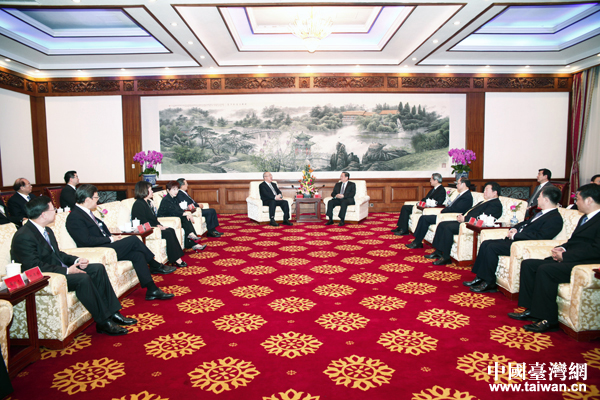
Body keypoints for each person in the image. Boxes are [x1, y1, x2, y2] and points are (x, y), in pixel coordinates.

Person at [11, 196, 137, 336]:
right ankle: (103, 322)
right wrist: (66, 270)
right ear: (43, 214)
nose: (55, 211)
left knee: (97, 268)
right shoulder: (24, 236)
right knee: (82, 279)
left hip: (59, 269)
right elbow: (33, 267)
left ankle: (113, 313)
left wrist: (76, 260)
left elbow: (57, 254)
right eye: (53, 209)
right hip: (48, 276)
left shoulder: (47, 230)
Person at [508, 183, 600, 333]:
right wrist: (562, 248)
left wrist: (566, 256)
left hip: (585, 263)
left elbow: (596, 250)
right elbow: (574, 241)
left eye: (578, 199)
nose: (576, 202)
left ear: (589, 200)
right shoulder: (585, 217)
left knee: (546, 270)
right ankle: (531, 309)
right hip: (573, 257)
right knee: (529, 264)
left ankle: (548, 319)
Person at [66, 184, 175, 301]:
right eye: (96, 197)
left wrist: (111, 236)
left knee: (137, 255)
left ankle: (152, 289)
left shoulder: (86, 212)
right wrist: (110, 239)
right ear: (88, 199)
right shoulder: (75, 217)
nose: (98, 200)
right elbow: (86, 241)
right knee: (134, 240)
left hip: (106, 245)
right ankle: (155, 264)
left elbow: (100, 231)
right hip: (99, 250)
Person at [464, 185, 564, 293]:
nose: (537, 199)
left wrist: (516, 236)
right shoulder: (540, 213)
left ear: (546, 199)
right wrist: (514, 229)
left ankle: (489, 282)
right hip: (516, 239)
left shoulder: (555, 218)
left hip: (523, 244)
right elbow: (525, 223)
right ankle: (480, 277)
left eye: (539, 196)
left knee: (491, 247)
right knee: (485, 243)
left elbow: (540, 237)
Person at [426, 181, 504, 265]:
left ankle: (446, 257)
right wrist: (462, 216)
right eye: (484, 190)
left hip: (471, 225)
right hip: (465, 221)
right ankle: (438, 252)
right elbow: (471, 211)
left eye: (487, 190)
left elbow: (482, 218)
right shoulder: (484, 201)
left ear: (495, 192)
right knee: (442, 224)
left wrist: (465, 219)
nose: (484, 192)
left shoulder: (495, 204)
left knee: (448, 228)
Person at [132, 181, 187, 268]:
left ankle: (176, 258)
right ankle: (177, 259)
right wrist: (156, 227)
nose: (152, 191)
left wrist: (160, 225)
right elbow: (142, 222)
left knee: (170, 230)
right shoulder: (138, 204)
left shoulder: (148, 202)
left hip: (154, 227)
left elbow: (154, 219)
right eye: (150, 190)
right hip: (148, 230)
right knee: (168, 233)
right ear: (144, 191)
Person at [407, 177, 473, 249]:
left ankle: (417, 242)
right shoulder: (462, 194)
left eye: (458, 183)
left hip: (450, 217)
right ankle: (417, 241)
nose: (456, 185)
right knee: (423, 218)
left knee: (424, 219)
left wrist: (444, 210)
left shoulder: (467, 196)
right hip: (446, 214)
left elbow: (456, 209)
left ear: (463, 184)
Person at [157, 181, 206, 251]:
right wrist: (186, 214)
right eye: (174, 189)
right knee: (184, 217)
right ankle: (192, 238)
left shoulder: (174, 198)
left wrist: (186, 213)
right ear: (168, 190)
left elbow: (178, 209)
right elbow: (173, 211)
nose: (176, 191)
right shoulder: (166, 200)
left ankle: (192, 239)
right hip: (166, 219)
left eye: (177, 189)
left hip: (173, 216)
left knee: (185, 218)